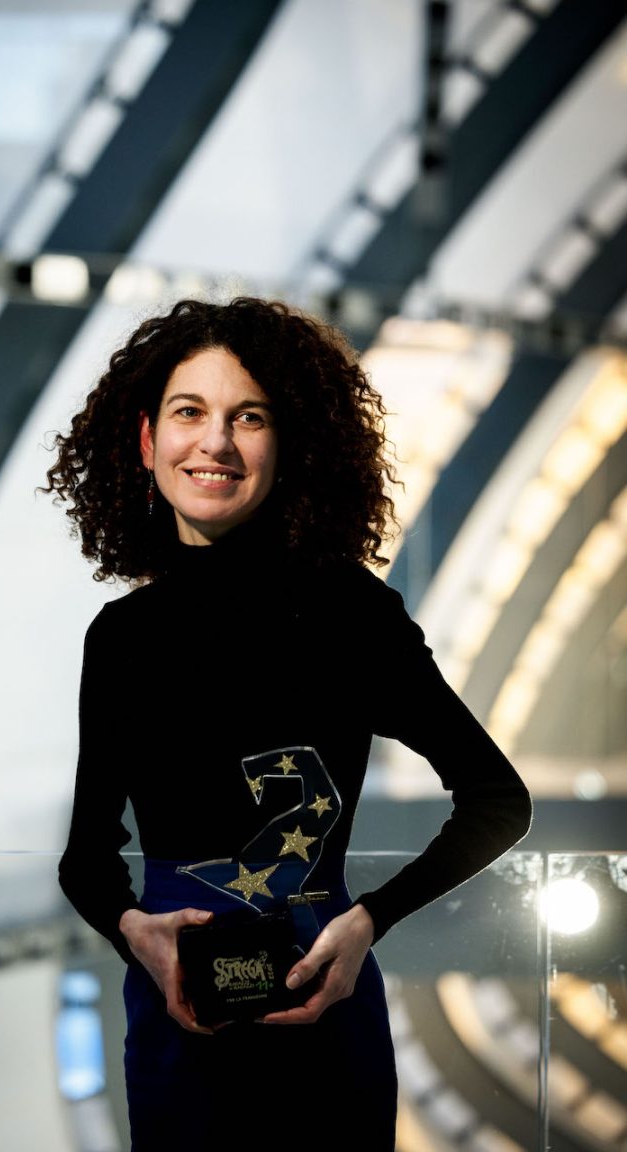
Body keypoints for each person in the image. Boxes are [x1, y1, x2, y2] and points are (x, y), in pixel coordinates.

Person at [44, 295, 532, 1152]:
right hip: (176, 1029)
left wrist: (369, 921)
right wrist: (134, 932)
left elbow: (498, 801)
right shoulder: (121, 638)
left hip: (326, 1021)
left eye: (250, 417)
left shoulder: (352, 614)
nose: (216, 442)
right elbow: (87, 858)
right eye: (188, 413)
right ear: (147, 441)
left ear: (289, 445)